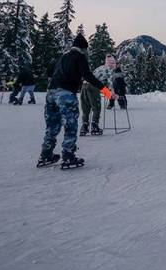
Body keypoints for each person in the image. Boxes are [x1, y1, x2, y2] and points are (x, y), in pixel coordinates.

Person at [38, 33, 111, 169]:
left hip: (51, 93)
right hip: (66, 94)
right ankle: (68, 156)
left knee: (52, 126)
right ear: (83, 48)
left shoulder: (62, 56)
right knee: (70, 124)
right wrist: (106, 91)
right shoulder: (80, 57)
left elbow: (49, 71)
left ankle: (45, 155)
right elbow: (88, 75)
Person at [80, 54, 116, 136]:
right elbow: (110, 83)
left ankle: (84, 126)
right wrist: (111, 95)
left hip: (84, 85)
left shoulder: (100, 67)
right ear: (112, 64)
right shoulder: (109, 70)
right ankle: (94, 126)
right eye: (113, 63)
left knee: (86, 107)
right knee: (96, 107)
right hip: (93, 87)